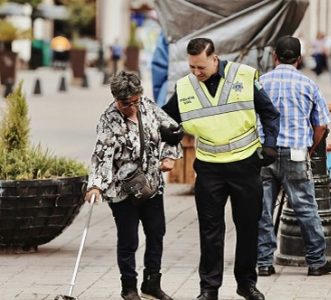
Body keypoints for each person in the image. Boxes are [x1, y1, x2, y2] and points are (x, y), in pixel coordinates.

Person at [163, 38, 280, 300]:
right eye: (192, 67)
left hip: (245, 165)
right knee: (210, 231)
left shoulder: (244, 76)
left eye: (201, 67)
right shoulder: (184, 87)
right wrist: (169, 135)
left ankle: (246, 284)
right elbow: (166, 120)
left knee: (249, 227)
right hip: (209, 169)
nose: (196, 73)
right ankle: (208, 289)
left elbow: (270, 113)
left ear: (214, 58)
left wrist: (270, 145)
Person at [85, 71, 184, 300]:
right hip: (122, 189)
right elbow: (102, 154)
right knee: (129, 239)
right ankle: (129, 288)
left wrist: (169, 157)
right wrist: (95, 186)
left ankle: (152, 283)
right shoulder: (108, 120)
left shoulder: (148, 106)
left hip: (151, 184)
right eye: (125, 103)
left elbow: (173, 131)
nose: (131, 107)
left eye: (135, 101)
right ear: (115, 98)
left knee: (156, 232)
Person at [256, 36, 331, 277]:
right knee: (306, 208)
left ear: (274, 56)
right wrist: (310, 147)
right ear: (299, 59)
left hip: (265, 152)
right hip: (297, 154)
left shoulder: (261, 82)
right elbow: (320, 125)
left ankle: (263, 263)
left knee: (262, 209)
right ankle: (316, 262)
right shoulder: (308, 84)